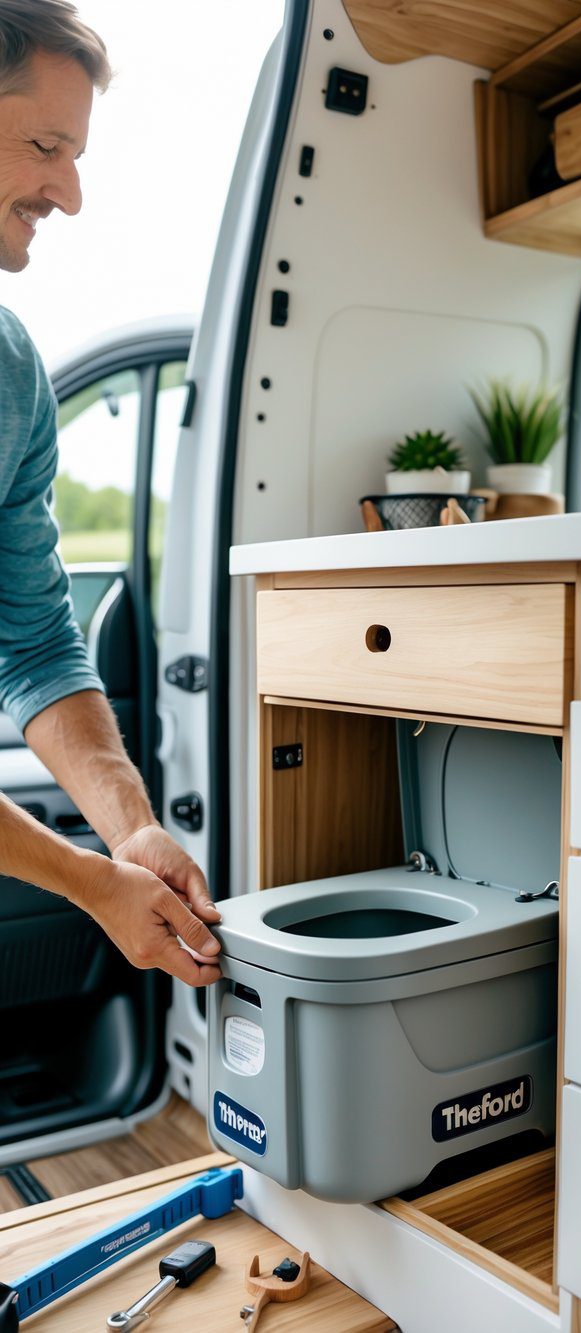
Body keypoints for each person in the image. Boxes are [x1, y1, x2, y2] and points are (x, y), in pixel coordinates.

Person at [0, 0, 221, 986]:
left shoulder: (12, 374)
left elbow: (39, 642)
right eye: (46, 145)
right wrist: (90, 884)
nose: (70, 193)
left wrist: (131, 832)